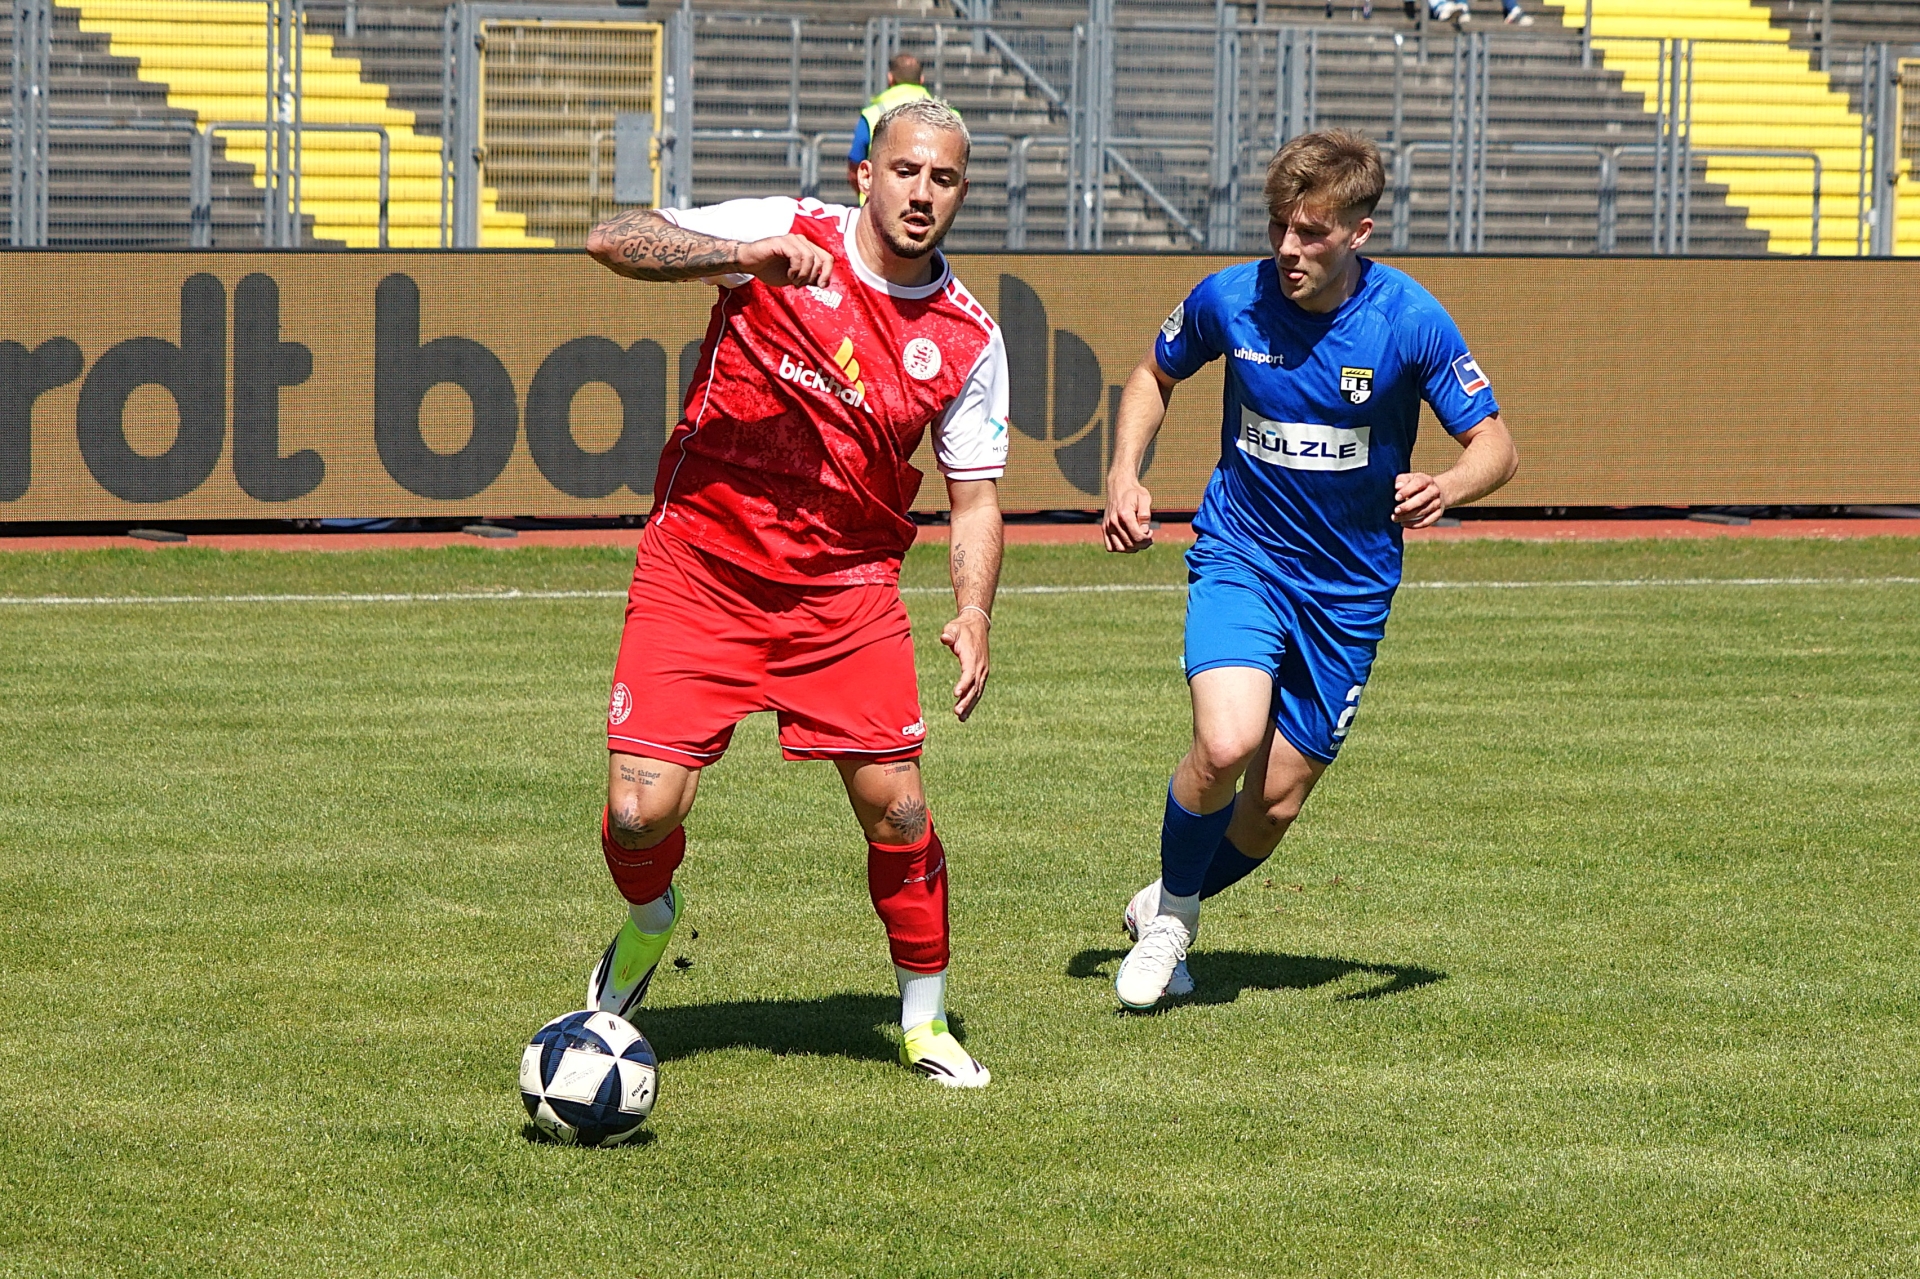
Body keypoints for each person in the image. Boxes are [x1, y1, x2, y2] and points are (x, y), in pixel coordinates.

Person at [581, 97, 1007, 1086]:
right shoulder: (784, 228)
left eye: (943, 179)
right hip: (701, 567)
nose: (922, 193)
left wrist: (974, 608)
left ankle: (925, 1022)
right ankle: (649, 920)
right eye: (905, 170)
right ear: (866, 175)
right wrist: (740, 258)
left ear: (960, 194)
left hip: (843, 590)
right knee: (639, 814)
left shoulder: (968, 337)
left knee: (899, 809)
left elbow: (976, 499)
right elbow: (613, 238)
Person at [1100, 128, 1517, 1011]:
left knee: (1274, 806)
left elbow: (1496, 446)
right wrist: (1123, 473)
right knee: (1226, 743)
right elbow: (1153, 374)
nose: (1288, 248)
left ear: (1359, 232)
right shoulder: (1230, 298)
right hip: (1243, 555)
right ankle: (1173, 927)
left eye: (1313, 232)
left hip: (1349, 592)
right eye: (1279, 227)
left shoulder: (1409, 319)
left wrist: (1447, 485)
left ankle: (1162, 901)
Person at [847, 54, 933, 199]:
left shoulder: (872, 114)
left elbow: (854, 170)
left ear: (890, 78)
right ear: (921, 80)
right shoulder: (950, 117)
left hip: (878, 204)